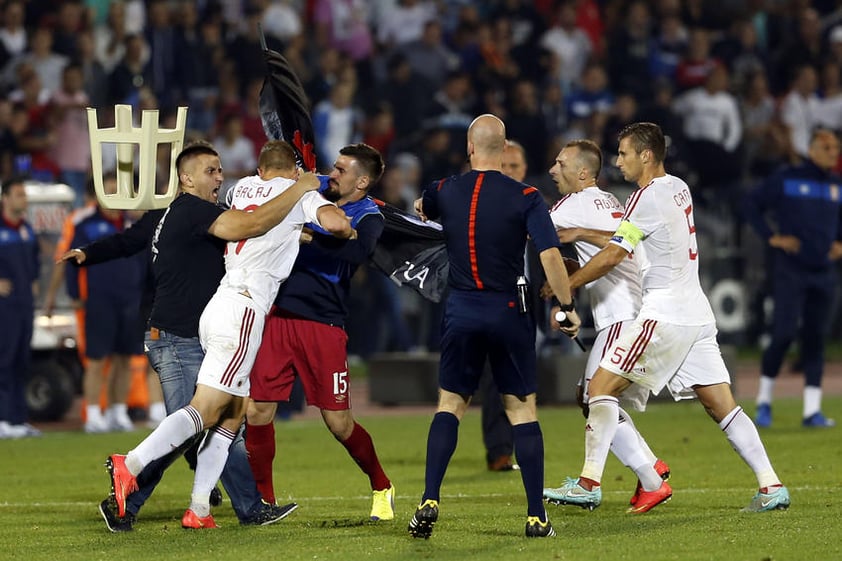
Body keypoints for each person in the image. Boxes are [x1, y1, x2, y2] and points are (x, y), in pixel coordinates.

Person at [58, 142, 320, 531]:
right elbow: (248, 225)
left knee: (228, 418)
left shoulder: (172, 213)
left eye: (220, 170)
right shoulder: (198, 211)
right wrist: (300, 191)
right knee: (193, 425)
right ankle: (126, 495)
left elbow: (133, 240)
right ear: (186, 178)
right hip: (178, 337)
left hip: (183, 333)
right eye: (211, 171)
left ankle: (237, 507)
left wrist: (87, 253)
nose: (220, 177)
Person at [548, 122, 790, 513]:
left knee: (599, 390)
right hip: (697, 313)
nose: (618, 160)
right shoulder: (679, 186)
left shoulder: (645, 198)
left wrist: (569, 284)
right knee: (722, 406)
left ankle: (590, 482)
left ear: (646, 155)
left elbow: (614, 254)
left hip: (665, 314)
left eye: (624, 153)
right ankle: (771, 485)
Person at [407, 114, 581, 539]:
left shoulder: (444, 190)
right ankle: (536, 516)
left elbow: (419, 208)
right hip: (508, 309)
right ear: (505, 151)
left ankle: (430, 496)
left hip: (462, 308)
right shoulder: (525, 195)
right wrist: (566, 305)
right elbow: (550, 257)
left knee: (450, 405)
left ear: (469, 148)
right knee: (521, 410)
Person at [245, 143, 395, 521]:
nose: (333, 173)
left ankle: (381, 484)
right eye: (334, 166)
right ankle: (264, 501)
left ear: (362, 181)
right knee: (258, 410)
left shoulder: (369, 215)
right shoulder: (307, 195)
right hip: (278, 315)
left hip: (324, 324)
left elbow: (356, 255)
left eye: (342, 170)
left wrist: (304, 235)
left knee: (338, 422)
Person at [540, 139, 670, 513]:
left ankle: (593, 482)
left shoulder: (570, 205)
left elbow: (531, 231)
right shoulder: (610, 202)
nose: (552, 169)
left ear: (583, 172)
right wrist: (567, 289)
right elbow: (621, 245)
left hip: (622, 315)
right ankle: (651, 468)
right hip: (639, 310)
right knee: (594, 396)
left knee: (596, 394)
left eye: (560, 163)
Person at [743, 128, 842, 428]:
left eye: (836, 148)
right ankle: (763, 403)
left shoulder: (837, 185)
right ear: (811, 150)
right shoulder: (787, 178)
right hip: (791, 270)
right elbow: (750, 204)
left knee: (815, 338)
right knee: (784, 334)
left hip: (824, 271)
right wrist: (771, 237)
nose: (833, 153)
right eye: (826, 147)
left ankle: (812, 411)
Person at [65, 176, 144, 433]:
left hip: (131, 300)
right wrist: (75, 294)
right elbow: (72, 261)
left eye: (117, 189)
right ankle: (93, 413)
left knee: (124, 360)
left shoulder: (133, 225)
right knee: (97, 360)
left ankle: (117, 411)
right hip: (100, 301)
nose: (115, 194)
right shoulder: (86, 226)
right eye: (110, 189)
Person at [0, 176, 41, 439]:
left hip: (25, 305)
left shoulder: (26, 229)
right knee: (3, 360)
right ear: (4, 198)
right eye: (18, 194)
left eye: (24, 195)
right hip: (4, 307)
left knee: (21, 361)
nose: (23, 199)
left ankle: (17, 419)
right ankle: (3, 418)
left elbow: (35, 262)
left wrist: (34, 283)